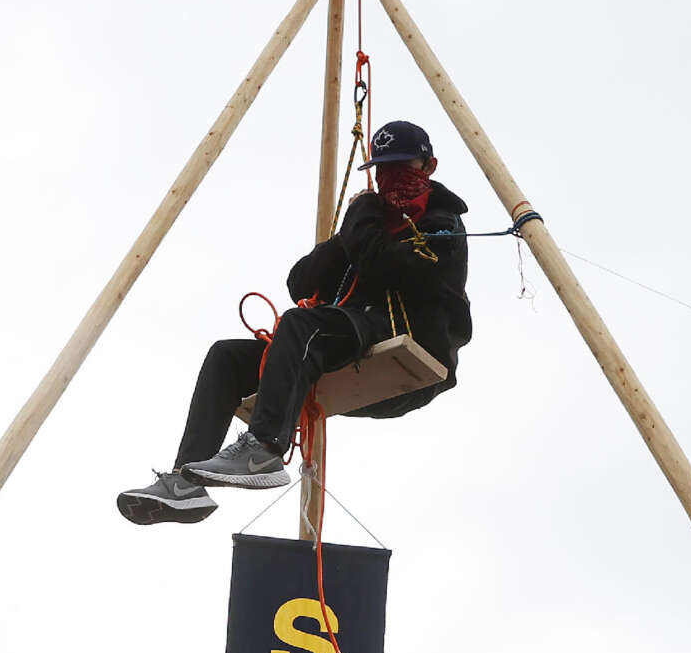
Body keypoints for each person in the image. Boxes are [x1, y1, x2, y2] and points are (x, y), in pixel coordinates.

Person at [116, 120, 473, 525]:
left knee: (302, 326)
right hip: (350, 339)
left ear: (429, 166)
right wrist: (350, 232)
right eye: (382, 169)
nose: (390, 179)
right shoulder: (367, 223)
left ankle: (263, 449)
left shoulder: (442, 225)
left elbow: (382, 268)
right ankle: (186, 483)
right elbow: (300, 281)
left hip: (407, 340)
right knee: (227, 357)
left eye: (401, 166)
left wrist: (363, 218)